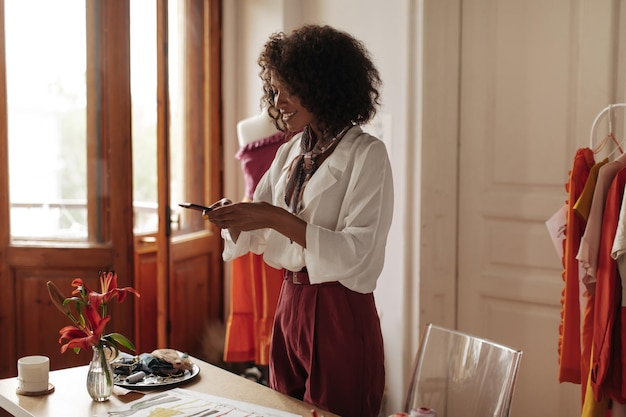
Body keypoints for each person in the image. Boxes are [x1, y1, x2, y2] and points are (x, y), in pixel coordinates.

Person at [206, 24, 394, 417]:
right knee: (285, 410)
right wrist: (235, 218)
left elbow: (357, 252)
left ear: (322, 86)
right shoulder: (291, 151)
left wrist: (271, 216)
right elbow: (260, 231)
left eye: (289, 89)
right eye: (275, 89)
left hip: (340, 310)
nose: (279, 100)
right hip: (289, 302)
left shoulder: (367, 155)